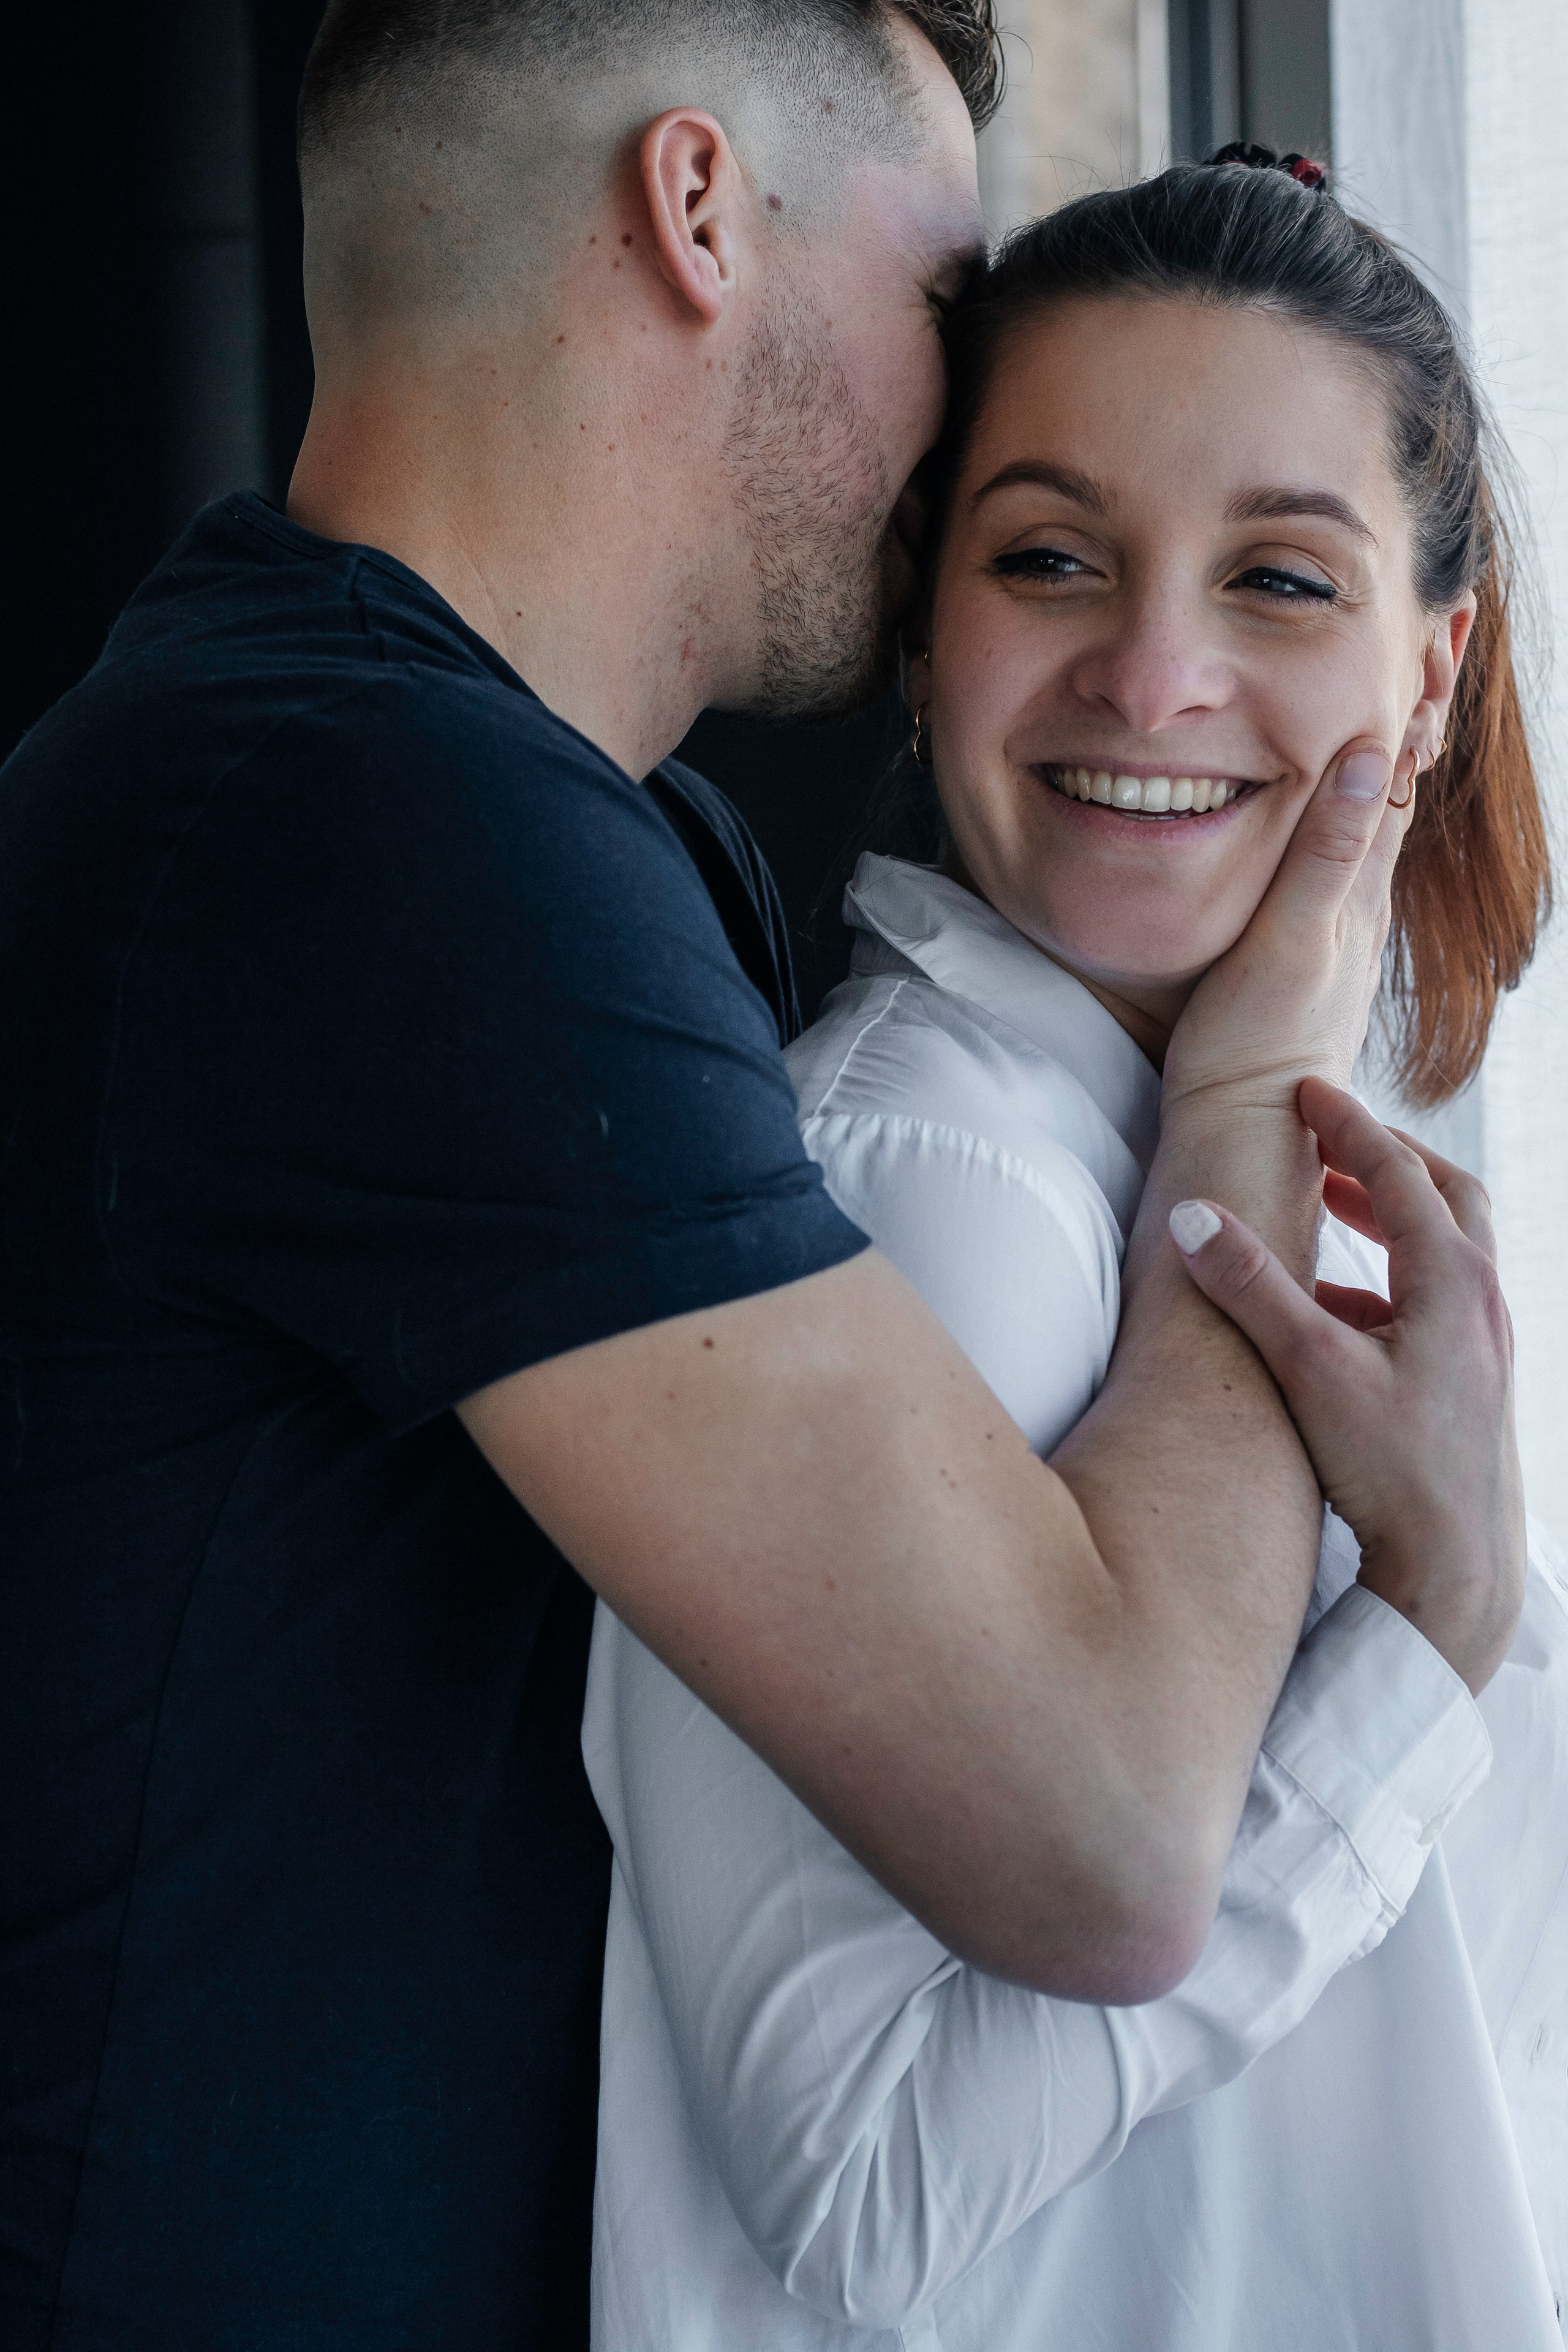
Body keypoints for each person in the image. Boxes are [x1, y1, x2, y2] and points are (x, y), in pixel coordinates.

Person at [0, 1, 1520, 2339]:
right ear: (700, 211)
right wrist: (1247, 1125)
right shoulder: (390, 834)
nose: (957, 405)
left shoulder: (511, 823)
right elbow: (1106, 1843)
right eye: (942, 298)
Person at [585, 154, 1567, 2350]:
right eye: (1051, 558)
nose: (1154, 671)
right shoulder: (929, 1181)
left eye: (1285, 583)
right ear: (929, 624)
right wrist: (1421, 1639)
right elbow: (855, 2186)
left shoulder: (1227, 1141)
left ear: (1434, 675)